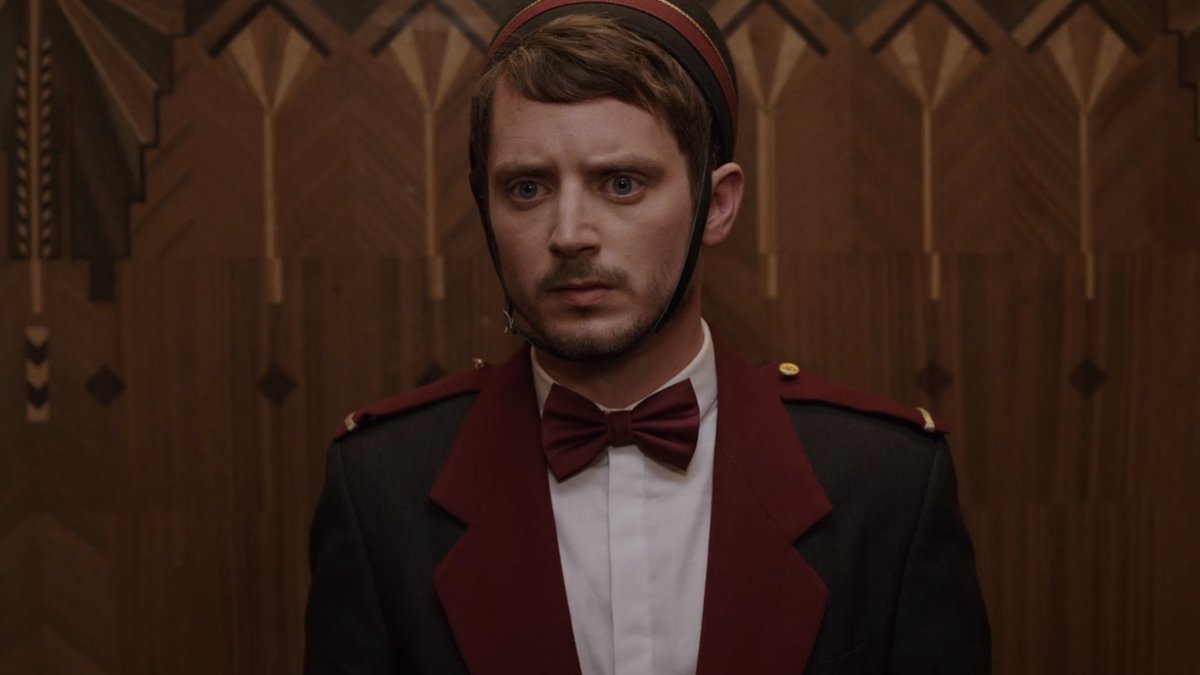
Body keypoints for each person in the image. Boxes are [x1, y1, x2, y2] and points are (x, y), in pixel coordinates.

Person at [304, 0, 991, 673]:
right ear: (486, 207)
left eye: (622, 183)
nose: (569, 233)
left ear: (716, 205)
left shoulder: (887, 481)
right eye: (528, 189)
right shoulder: (380, 489)